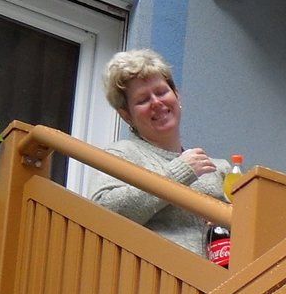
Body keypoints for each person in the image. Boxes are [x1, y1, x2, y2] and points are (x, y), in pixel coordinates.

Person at [91, 49, 225, 255]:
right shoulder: (122, 154)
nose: (156, 102)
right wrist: (178, 174)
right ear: (126, 115)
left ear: (176, 94)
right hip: (154, 281)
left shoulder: (219, 168)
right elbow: (102, 212)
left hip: (220, 283)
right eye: (143, 100)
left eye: (162, 92)